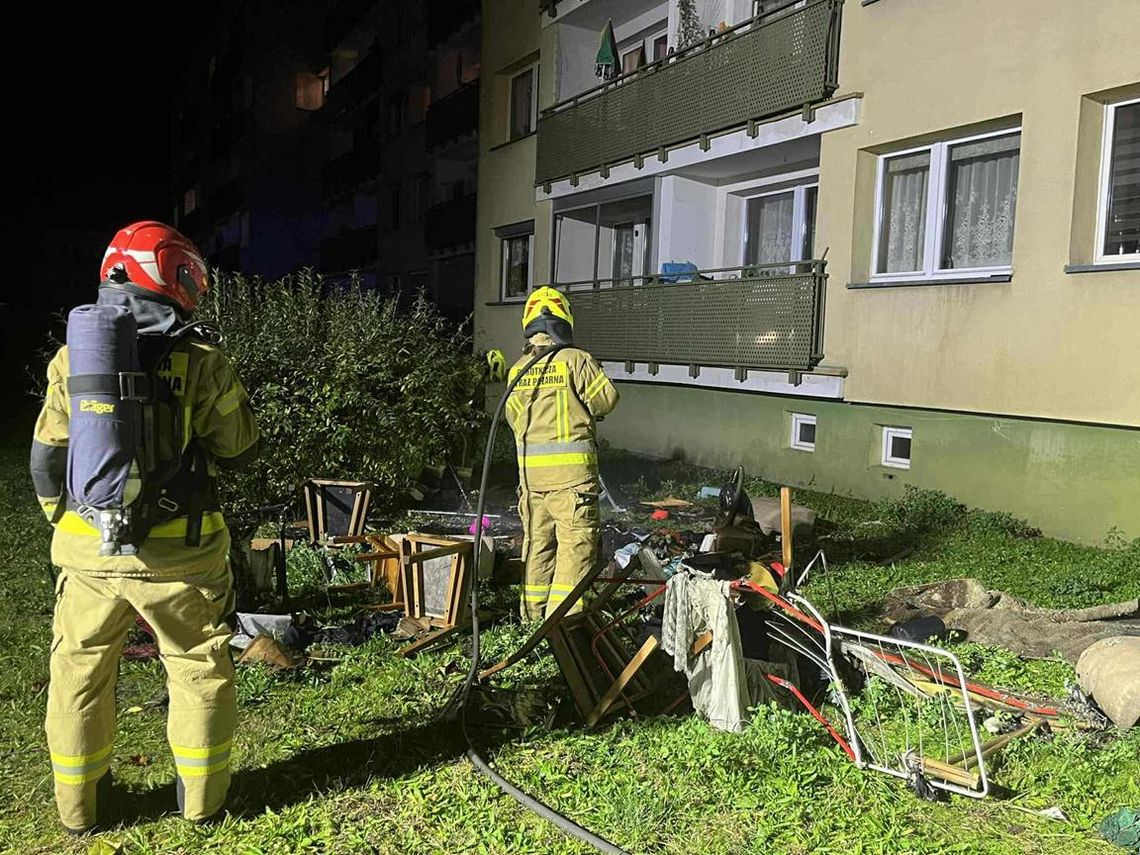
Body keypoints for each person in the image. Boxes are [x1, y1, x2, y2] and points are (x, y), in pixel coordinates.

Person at [29, 221, 259, 833]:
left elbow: (46, 457)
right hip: (180, 553)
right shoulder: (203, 360)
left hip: (86, 556)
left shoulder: (70, 357)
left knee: (78, 674)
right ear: (168, 274)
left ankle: (80, 811)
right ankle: (202, 805)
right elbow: (237, 448)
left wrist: (70, 524)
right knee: (196, 668)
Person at [505, 286, 619, 621]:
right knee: (574, 551)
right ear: (564, 319)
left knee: (537, 547)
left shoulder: (517, 370)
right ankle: (563, 627)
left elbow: (513, 420)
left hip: (531, 483)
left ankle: (531, 617)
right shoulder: (576, 361)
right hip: (572, 483)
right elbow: (606, 400)